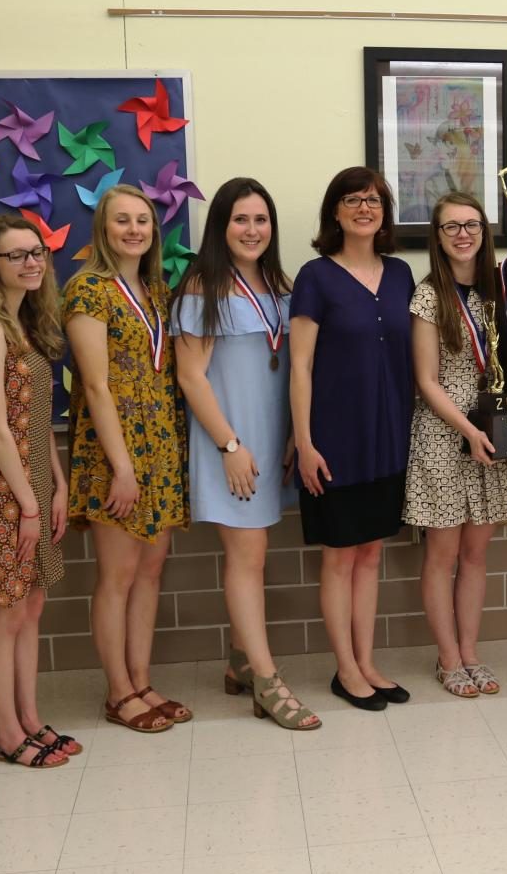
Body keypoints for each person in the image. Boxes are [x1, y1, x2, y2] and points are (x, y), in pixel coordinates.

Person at [173, 178, 319, 730]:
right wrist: (229, 445)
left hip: (269, 443)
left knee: (257, 554)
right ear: (220, 227)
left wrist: (289, 434)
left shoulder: (279, 286)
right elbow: (192, 378)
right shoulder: (201, 290)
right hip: (228, 445)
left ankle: (239, 663)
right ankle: (267, 680)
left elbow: (287, 369)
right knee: (247, 557)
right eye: (240, 220)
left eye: (261, 220)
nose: (252, 230)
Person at [64, 184, 190, 733]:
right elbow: (94, 384)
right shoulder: (89, 290)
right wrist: (122, 467)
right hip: (115, 451)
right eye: (122, 220)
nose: (134, 229)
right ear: (104, 228)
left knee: (150, 570)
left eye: (143, 220)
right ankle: (117, 692)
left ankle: (141, 680)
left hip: (160, 445)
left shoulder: (159, 292)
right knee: (117, 575)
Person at [290, 166, 415, 711]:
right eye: (352, 199)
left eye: (374, 200)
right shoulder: (315, 277)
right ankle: (344, 668)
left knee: (370, 555)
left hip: (388, 436)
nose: (364, 208)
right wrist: (305, 441)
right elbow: (300, 367)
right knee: (340, 558)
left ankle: (367, 661)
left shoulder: (402, 274)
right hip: (334, 440)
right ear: (335, 212)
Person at [0, 214, 79, 767]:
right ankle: (7, 732)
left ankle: (31, 718)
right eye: (17, 255)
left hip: (33, 482)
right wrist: (27, 505)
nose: (32, 263)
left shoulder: (28, 326)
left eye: (37, 252)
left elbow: (35, 419)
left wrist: (56, 484)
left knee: (33, 604)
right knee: (9, 610)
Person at [405, 192, 507, 698]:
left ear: (485, 231)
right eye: (451, 226)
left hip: (494, 435)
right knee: (443, 553)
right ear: (437, 236)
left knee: (476, 554)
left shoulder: (504, 291)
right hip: (444, 435)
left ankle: (472, 652)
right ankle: (448, 658)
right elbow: (427, 381)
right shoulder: (429, 295)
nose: (462, 234)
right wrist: (467, 430)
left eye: (471, 225)